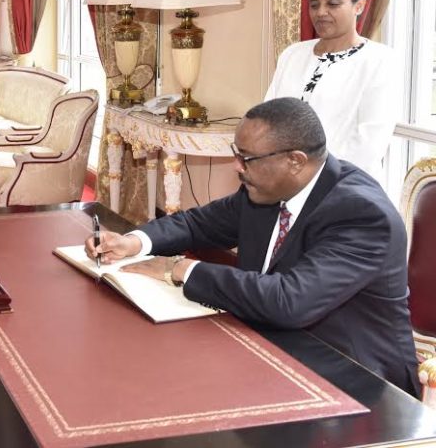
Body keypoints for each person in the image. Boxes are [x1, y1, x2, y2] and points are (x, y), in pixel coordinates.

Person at [87, 97, 420, 397]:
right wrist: (133, 241)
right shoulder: (267, 189)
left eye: (246, 158)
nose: (237, 167)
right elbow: (197, 224)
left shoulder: (361, 214)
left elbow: (290, 301)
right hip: (271, 346)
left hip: (357, 380)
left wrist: (179, 269)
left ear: (295, 160)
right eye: (237, 154)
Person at [265, 0, 399, 181]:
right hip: (283, 183)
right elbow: (268, 120)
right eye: (314, 4)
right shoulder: (292, 55)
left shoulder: (380, 61)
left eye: (333, 4)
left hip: (345, 188)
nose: (320, 12)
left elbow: (368, 146)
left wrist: (309, 180)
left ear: (359, 5)